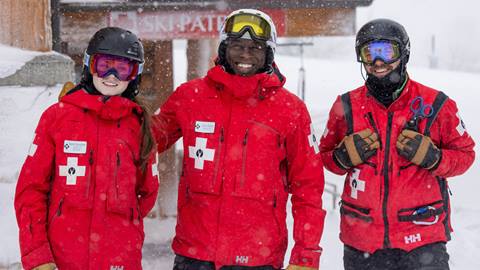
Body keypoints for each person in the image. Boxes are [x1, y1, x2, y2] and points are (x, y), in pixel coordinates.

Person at [153, 9, 326, 270]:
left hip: (258, 257)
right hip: (195, 254)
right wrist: (88, 108)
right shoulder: (191, 96)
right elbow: (144, 139)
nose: (246, 54)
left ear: (269, 53)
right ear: (223, 48)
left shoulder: (291, 110)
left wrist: (306, 253)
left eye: (256, 47)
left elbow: (308, 187)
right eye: (237, 46)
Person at [320, 18, 475, 270]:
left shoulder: (437, 104)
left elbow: (466, 155)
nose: (378, 62)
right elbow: (324, 157)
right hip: (362, 243)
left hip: (423, 240)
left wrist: (435, 158)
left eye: (385, 51)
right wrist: (341, 158)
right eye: (369, 53)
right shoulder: (345, 106)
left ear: (403, 53)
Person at [14, 27, 159, 270]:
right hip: (64, 259)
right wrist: (38, 257)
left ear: (134, 75)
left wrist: (119, 223)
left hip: (120, 259)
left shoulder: (138, 126)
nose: (111, 76)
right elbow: (30, 192)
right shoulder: (58, 118)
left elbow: (147, 193)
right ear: (90, 65)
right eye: (105, 65)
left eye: (123, 68)